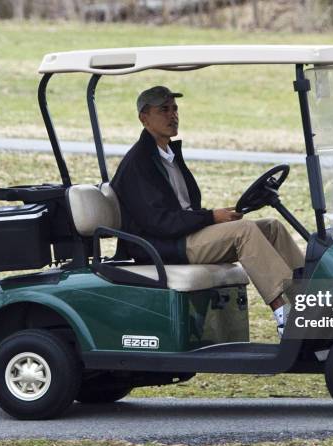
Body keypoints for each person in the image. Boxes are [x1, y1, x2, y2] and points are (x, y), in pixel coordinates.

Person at [110, 86, 304, 336]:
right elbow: (159, 222)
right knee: (244, 231)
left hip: (183, 236)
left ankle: (309, 303)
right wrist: (211, 217)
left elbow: (184, 208)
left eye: (175, 109)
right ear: (144, 118)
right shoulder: (138, 163)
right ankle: (283, 316)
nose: (173, 116)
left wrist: (216, 216)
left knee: (270, 228)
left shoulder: (168, 155)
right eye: (164, 110)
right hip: (164, 245)